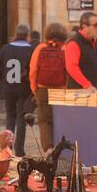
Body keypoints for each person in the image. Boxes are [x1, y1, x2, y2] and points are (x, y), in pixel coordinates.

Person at [0, 23, 35, 157]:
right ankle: (19, 150)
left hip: (9, 87)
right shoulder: (31, 50)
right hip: (24, 88)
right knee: (22, 117)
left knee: (10, 115)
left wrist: (4, 79)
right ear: (28, 36)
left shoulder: (6, 49)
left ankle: (7, 148)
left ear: (16, 35)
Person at [27, 21, 72, 151]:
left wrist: (34, 89)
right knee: (61, 119)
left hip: (43, 89)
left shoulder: (40, 48)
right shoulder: (65, 48)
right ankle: (62, 147)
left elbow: (33, 70)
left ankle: (48, 149)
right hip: (61, 90)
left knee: (44, 120)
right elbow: (69, 71)